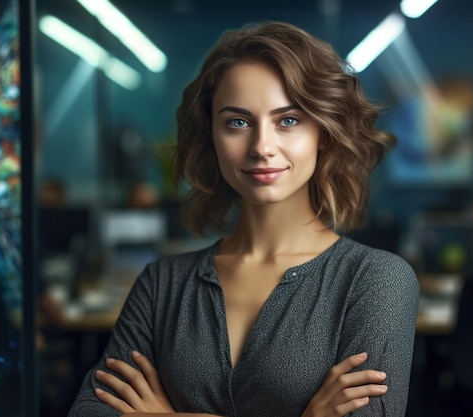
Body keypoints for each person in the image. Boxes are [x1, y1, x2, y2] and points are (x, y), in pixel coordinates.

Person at [67, 21, 419, 417]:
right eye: (238, 122)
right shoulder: (162, 285)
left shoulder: (377, 280)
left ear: (322, 131)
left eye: (288, 120)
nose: (262, 147)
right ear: (212, 134)